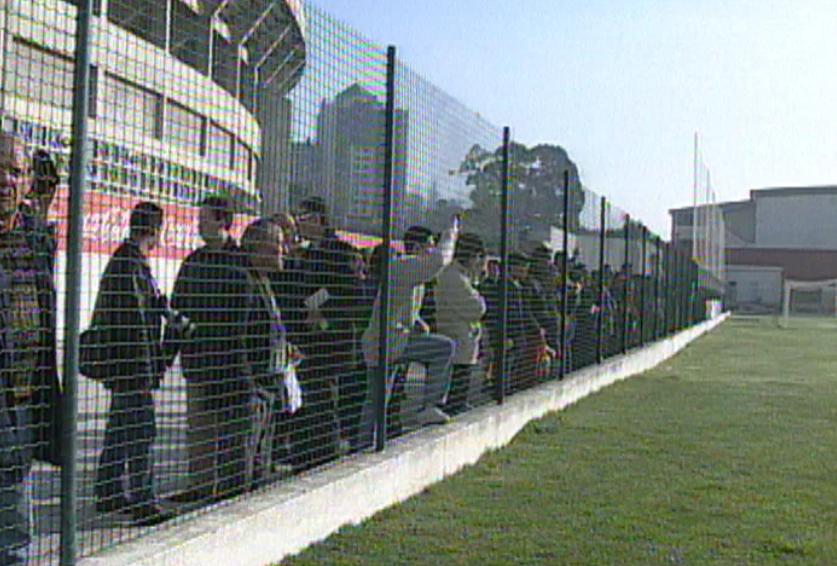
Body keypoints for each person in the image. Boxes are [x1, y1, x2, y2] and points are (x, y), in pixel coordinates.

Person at [92, 201, 175, 526]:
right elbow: (136, 325)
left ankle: (109, 489)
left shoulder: (127, 262)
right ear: (155, 231)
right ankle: (143, 500)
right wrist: (150, 367)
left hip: (124, 363)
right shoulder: (131, 265)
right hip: (132, 364)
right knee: (141, 431)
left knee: (119, 427)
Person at [0, 134, 62, 565]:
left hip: (20, 406)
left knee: (15, 531)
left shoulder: (37, 238)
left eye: (16, 171)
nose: (7, 179)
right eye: (1, 168)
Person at [168, 195, 250, 502]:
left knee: (227, 430)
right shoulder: (194, 262)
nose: (198, 224)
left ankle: (225, 489)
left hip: (230, 363)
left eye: (203, 218)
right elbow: (177, 308)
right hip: (198, 361)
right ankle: (200, 485)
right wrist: (169, 353)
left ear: (221, 221)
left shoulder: (240, 261)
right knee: (199, 428)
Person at [358, 219, 459, 448]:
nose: (432, 251)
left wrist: (418, 323)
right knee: (445, 347)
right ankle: (429, 406)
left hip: (388, 341)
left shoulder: (406, 271)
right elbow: (439, 261)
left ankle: (364, 445)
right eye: (429, 245)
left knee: (376, 400)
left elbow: (397, 306)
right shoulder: (405, 265)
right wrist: (451, 234)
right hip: (389, 342)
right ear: (415, 248)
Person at [434, 233, 487, 415]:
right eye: (478, 257)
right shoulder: (453, 277)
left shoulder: (464, 277)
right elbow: (477, 308)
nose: (479, 262)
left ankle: (458, 407)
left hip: (465, 340)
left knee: (463, 384)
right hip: (456, 339)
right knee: (456, 387)